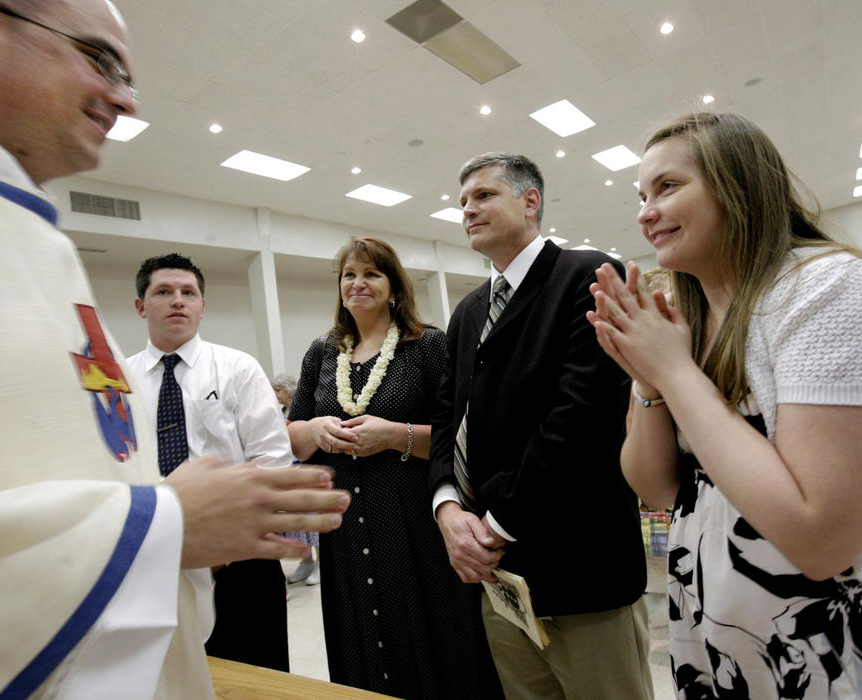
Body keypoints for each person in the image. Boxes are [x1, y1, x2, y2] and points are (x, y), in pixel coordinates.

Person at [0, 1, 347, 697]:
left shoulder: (28, 233)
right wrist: (164, 526)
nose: (123, 98)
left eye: (128, 76)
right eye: (100, 59)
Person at [588, 113, 862, 697]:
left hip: (856, 635)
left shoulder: (829, 287)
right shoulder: (687, 315)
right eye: (642, 195)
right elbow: (659, 489)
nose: (645, 212)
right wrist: (651, 382)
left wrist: (673, 372)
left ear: (739, 185)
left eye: (668, 187)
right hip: (725, 627)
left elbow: (822, 539)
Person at [430, 153, 653, 699]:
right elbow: (446, 421)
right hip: (500, 582)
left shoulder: (587, 276)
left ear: (530, 202)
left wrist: (496, 525)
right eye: (463, 202)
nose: (468, 209)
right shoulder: (468, 312)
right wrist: (447, 508)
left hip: (582, 569)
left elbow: (581, 420)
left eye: (483, 196)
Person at [289, 237, 501, 699]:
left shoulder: (426, 346)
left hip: (414, 523)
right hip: (344, 530)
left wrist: (393, 435)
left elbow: (462, 437)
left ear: (394, 286)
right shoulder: (322, 352)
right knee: (361, 637)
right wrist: (319, 428)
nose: (358, 284)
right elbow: (292, 437)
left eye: (371, 274)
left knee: (435, 636)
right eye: (349, 275)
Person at [127, 253, 296, 672]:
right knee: (174, 679)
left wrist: (223, 540)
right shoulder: (121, 379)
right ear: (141, 306)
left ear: (203, 305)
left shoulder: (237, 368)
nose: (178, 301)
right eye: (163, 292)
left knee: (256, 679)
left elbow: (272, 461)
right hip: (154, 563)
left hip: (240, 562)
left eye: (189, 293)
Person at [273, 372, 320, 586]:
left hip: (306, 470)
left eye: (278, 389)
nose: (276, 394)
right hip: (288, 473)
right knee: (296, 522)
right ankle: (306, 561)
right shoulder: (280, 413)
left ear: (288, 388)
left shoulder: (305, 410)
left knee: (312, 519)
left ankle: (320, 565)